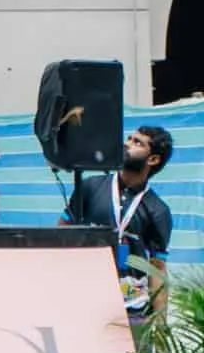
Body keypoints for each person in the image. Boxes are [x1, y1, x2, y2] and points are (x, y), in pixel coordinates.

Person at [64, 125, 175, 326]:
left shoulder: (158, 211)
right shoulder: (90, 187)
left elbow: (157, 268)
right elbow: (63, 231)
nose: (127, 144)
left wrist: (160, 324)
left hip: (132, 308)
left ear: (153, 159)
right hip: (86, 300)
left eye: (137, 142)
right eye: (129, 138)